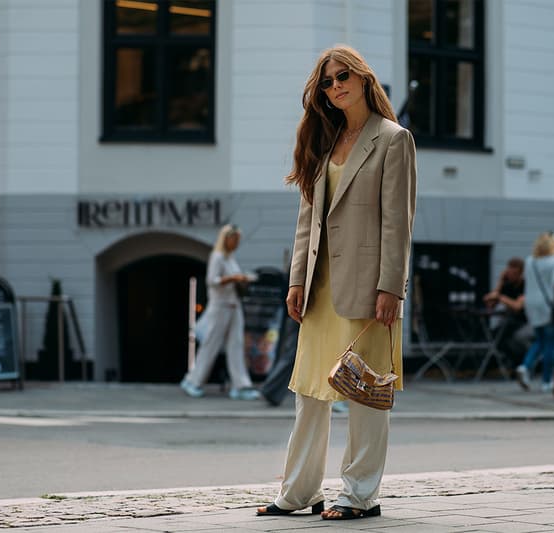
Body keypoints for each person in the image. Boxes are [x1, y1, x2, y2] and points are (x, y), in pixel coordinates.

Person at [256, 45, 416, 521]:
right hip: (320, 285)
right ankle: (299, 491)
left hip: (369, 287)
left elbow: (398, 222)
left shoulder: (393, 139)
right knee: (309, 392)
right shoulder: (325, 144)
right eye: (327, 82)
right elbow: (309, 217)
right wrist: (296, 280)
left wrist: (392, 287)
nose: (335, 86)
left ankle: (361, 493)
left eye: (343, 76)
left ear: (364, 77)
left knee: (365, 393)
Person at [180, 224, 260, 400]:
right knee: (211, 344)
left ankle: (240, 385)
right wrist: (233, 278)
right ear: (227, 239)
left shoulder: (230, 258)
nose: (237, 243)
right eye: (235, 239)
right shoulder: (217, 257)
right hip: (220, 306)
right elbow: (212, 281)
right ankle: (193, 380)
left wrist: (241, 280)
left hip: (233, 305)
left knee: (236, 345)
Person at [515, 232, 554, 392]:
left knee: (539, 340)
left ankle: (525, 367)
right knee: (550, 344)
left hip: (531, 304)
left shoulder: (530, 261)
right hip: (548, 305)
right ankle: (547, 381)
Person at [483, 258, 530, 371]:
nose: (510, 276)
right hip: (509, 322)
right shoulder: (507, 284)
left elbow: (517, 306)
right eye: (509, 273)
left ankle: (521, 365)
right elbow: (490, 304)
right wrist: (500, 282)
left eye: (513, 274)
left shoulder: (525, 285)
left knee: (515, 339)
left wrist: (500, 297)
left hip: (524, 321)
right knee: (495, 335)